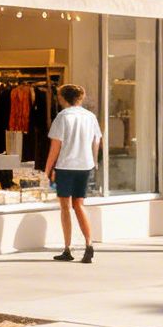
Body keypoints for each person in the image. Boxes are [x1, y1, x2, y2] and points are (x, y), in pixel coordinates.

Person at [44, 83, 103, 263]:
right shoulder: (90, 116)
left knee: (65, 206)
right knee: (79, 204)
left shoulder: (62, 117)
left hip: (66, 165)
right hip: (84, 165)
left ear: (63, 98)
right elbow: (97, 140)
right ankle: (89, 244)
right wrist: (93, 161)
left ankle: (67, 248)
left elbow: (55, 146)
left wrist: (48, 168)